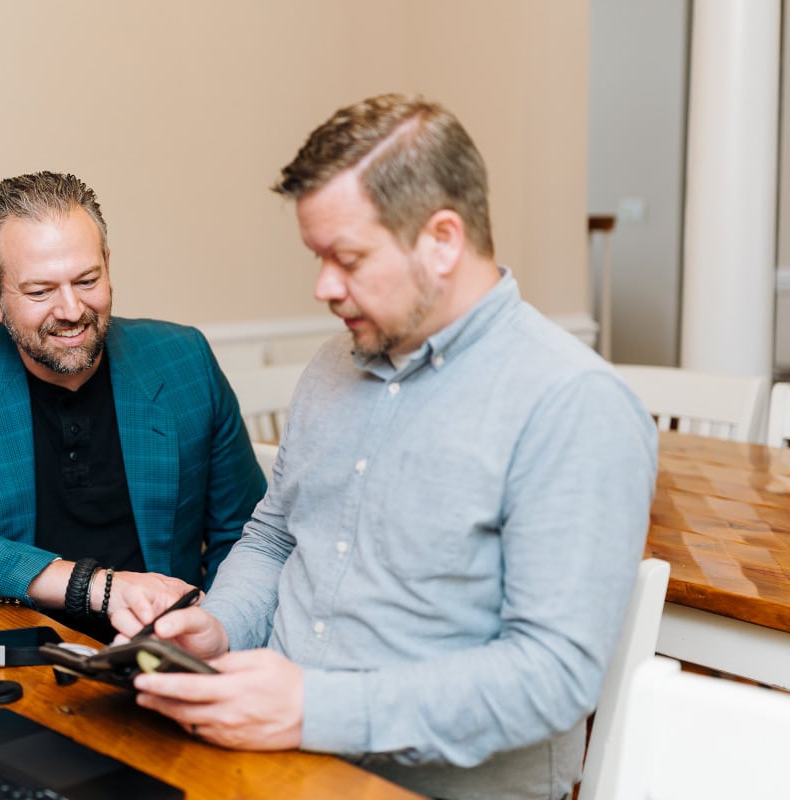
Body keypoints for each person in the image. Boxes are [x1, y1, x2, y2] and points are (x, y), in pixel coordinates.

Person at [129, 94, 658, 800]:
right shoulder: (331, 367)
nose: (323, 287)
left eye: (346, 258)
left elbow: (552, 675)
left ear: (442, 240)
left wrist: (312, 709)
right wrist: (220, 629)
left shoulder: (572, 403)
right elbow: (272, 538)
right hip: (260, 761)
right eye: (318, 257)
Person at [0, 171, 266, 641]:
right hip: (22, 651)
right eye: (40, 291)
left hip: (163, 651)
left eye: (87, 280)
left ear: (108, 264)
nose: (70, 310)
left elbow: (248, 535)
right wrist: (96, 587)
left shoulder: (185, 358)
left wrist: (216, 627)